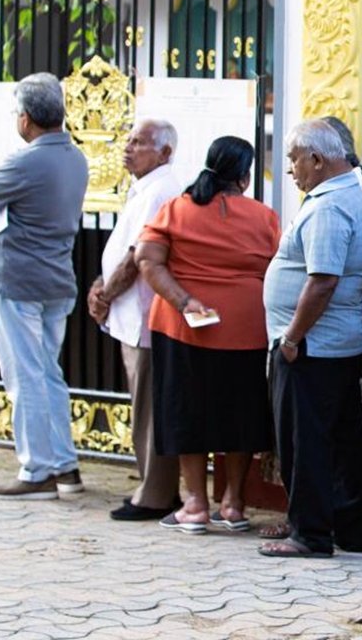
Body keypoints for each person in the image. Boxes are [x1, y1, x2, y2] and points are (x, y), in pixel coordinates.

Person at [136, 136, 279, 535]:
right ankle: (233, 504)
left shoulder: (176, 209)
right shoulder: (263, 217)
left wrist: (185, 301)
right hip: (247, 329)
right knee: (239, 413)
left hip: (183, 328)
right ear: (246, 178)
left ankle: (195, 505)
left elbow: (146, 259)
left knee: (186, 410)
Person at [0, 73, 88, 500]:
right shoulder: (76, 157)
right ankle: (64, 463)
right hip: (57, 278)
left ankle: (37, 471)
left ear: (26, 119)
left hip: (17, 278)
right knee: (47, 373)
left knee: (25, 376)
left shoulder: (25, 160)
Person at [260, 119, 362, 558]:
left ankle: (309, 533)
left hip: (313, 346)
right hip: (334, 344)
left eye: (293, 159)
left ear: (317, 159)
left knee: (305, 441)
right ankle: (349, 530)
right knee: (342, 440)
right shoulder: (348, 191)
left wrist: (291, 338)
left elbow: (322, 281)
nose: (290, 169)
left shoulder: (328, 206)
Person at [87, 119, 184, 520]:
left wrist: (106, 293)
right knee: (144, 402)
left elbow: (137, 255)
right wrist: (101, 284)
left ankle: (156, 493)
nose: (128, 148)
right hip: (131, 312)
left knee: (150, 406)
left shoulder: (161, 187)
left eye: (139, 143)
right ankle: (152, 486)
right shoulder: (145, 186)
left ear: (164, 152)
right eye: (128, 141)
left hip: (145, 314)